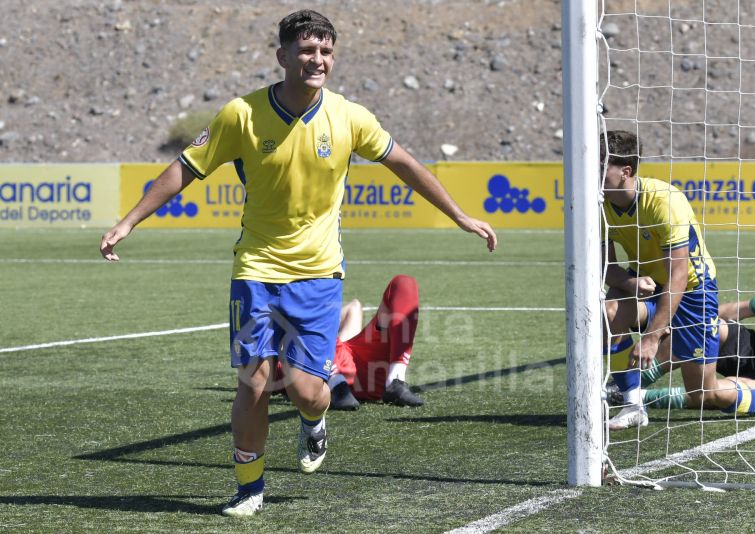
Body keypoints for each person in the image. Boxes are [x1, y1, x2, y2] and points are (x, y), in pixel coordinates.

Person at [99, 10, 496, 518]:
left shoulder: (351, 117)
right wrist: (129, 221)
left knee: (310, 394)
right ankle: (249, 489)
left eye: (326, 52)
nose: (318, 60)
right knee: (255, 379)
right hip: (257, 271)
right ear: (283, 55)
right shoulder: (240, 115)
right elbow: (184, 169)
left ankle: (314, 422)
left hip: (319, 275)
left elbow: (406, 164)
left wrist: (459, 214)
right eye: (307, 50)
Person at [600, 130, 755, 431]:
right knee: (611, 311)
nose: (592, 173)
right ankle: (633, 406)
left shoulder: (663, 202)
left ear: (625, 172)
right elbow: (604, 267)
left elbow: (679, 275)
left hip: (693, 291)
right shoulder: (599, 204)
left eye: (601, 166)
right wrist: (630, 284)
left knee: (702, 395)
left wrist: (652, 337)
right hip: (648, 286)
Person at [611, 262, 755, 410]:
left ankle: (639, 397)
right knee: (701, 329)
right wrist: (681, 323)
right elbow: (736, 310)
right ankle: (627, 384)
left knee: (712, 394)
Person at [273, 274, 425, 410]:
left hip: (362, 368)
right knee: (315, 325)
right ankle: (336, 383)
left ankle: (396, 380)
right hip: (321, 370)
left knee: (403, 282)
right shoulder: (278, 358)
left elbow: (354, 306)